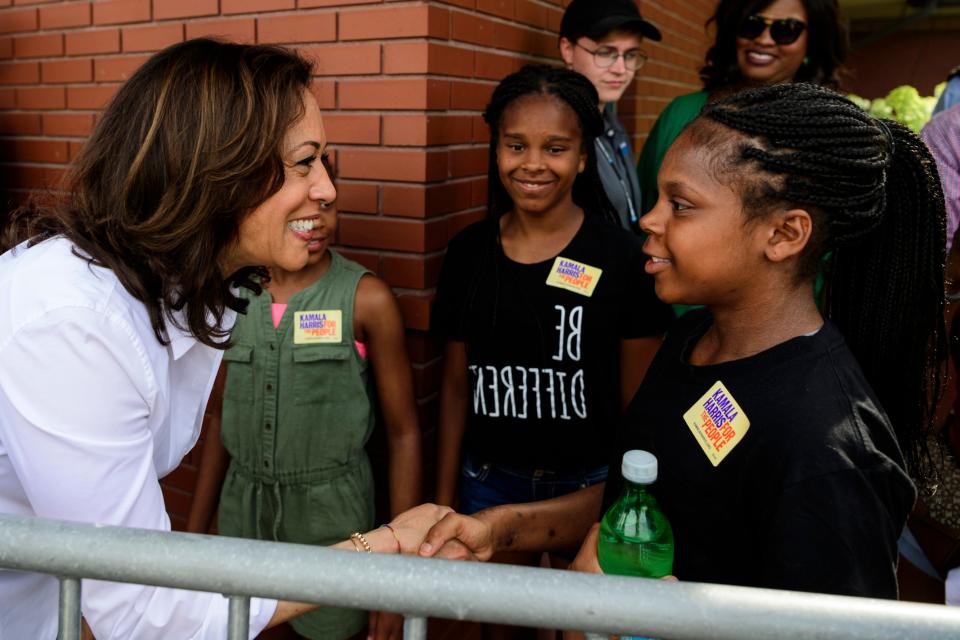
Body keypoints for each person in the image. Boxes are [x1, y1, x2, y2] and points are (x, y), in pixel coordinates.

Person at [421, 83, 946, 604]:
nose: (648, 220)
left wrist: (643, 622)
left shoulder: (828, 452)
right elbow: (656, 497)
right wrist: (497, 528)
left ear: (784, 235)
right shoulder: (694, 339)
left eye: (681, 204)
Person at [0, 38, 449, 640]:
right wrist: (381, 550)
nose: (327, 190)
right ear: (216, 169)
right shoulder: (71, 324)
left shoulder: (200, 290)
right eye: (304, 162)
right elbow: (144, 612)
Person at [430, 63, 671, 637]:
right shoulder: (468, 253)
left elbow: (641, 405)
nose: (533, 163)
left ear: (583, 157)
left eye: (555, 148)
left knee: (577, 630)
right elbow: (456, 387)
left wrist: (617, 505)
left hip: (588, 488)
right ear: (495, 149)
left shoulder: (620, 259)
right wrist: (443, 503)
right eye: (516, 145)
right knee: (495, 627)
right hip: (488, 481)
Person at [186, 172, 423, 640]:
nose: (315, 222)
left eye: (327, 209)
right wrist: (193, 537)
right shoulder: (231, 295)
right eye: (297, 214)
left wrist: (401, 574)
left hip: (335, 521)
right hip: (243, 517)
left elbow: (404, 434)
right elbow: (219, 418)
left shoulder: (365, 299)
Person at [638, 0, 848, 217]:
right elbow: (644, 207)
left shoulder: (828, 131)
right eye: (752, 25)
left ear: (813, 42)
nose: (763, 39)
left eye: (786, 30)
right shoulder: (681, 112)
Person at [558, 0, 662, 233]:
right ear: (567, 49)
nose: (620, 68)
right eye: (605, 52)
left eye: (631, 55)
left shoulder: (612, 124)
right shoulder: (559, 131)